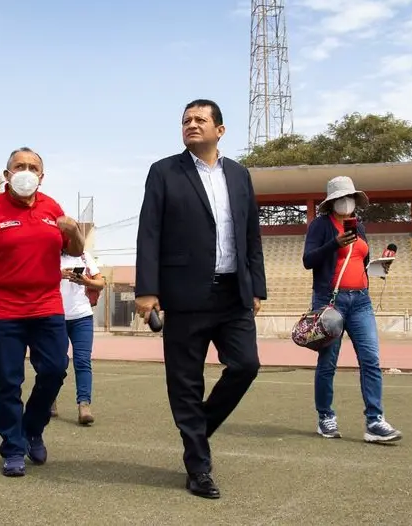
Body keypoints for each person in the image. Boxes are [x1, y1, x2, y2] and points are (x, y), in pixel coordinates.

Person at [134, 99, 266, 499]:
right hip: (184, 294)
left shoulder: (240, 175)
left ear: (219, 130)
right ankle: (198, 467)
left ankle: (198, 429)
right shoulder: (164, 172)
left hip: (232, 293)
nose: (191, 125)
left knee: (246, 365)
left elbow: (251, 234)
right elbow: (149, 232)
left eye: (200, 120)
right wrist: (147, 290)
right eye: (186, 120)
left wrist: (256, 286)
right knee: (185, 383)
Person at [0, 147, 85, 477]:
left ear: (42, 176)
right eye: (20, 166)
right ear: (7, 174)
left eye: (33, 167)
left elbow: (74, 251)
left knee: (56, 369)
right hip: (5, 310)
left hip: (47, 306)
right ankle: (13, 448)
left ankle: (32, 427)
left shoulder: (52, 208)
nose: (26, 171)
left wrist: (72, 230)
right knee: (7, 380)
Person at [303, 176, 402, 444]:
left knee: (370, 359)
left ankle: (375, 421)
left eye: (351, 198)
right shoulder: (320, 226)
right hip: (330, 301)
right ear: (332, 201)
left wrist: (378, 268)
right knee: (328, 362)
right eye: (342, 198)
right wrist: (335, 243)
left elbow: (361, 260)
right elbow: (308, 260)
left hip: (361, 300)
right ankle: (325, 416)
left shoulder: (359, 226)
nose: (347, 202)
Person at [54, 250, 105, 425]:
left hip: (82, 316)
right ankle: (49, 399)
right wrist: (56, 274)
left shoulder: (83, 256)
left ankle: (84, 405)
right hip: (55, 316)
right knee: (56, 363)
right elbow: (32, 278)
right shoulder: (46, 251)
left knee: (82, 361)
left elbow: (101, 283)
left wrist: (86, 281)